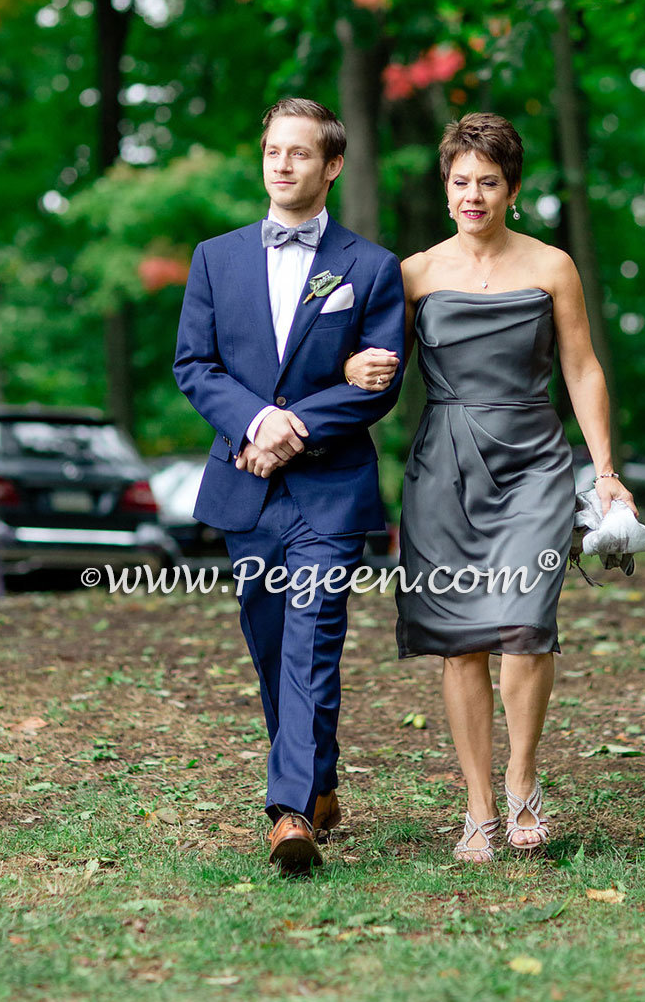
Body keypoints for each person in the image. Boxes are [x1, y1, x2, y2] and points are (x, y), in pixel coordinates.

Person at [344, 112, 637, 861]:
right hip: (443, 466)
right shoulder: (412, 273)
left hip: (535, 463)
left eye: (488, 183)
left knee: (525, 626)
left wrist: (603, 473)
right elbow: (374, 367)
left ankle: (522, 783)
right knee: (460, 643)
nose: (472, 195)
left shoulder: (552, 266)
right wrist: (351, 371)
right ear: (445, 189)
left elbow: (582, 368)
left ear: (513, 189)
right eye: (460, 182)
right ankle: (476, 807)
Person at [173, 98, 406, 873]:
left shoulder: (370, 267)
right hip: (246, 487)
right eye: (274, 150)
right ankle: (322, 780)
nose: (282, 164)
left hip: (331, 492)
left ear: (331, 165)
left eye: (300, 153)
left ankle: (291, 813)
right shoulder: (215, 257)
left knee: (312, 640)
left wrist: (294, 426)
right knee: (270, 643)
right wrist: (256, 424)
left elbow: (378, 382)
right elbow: (194, 366)